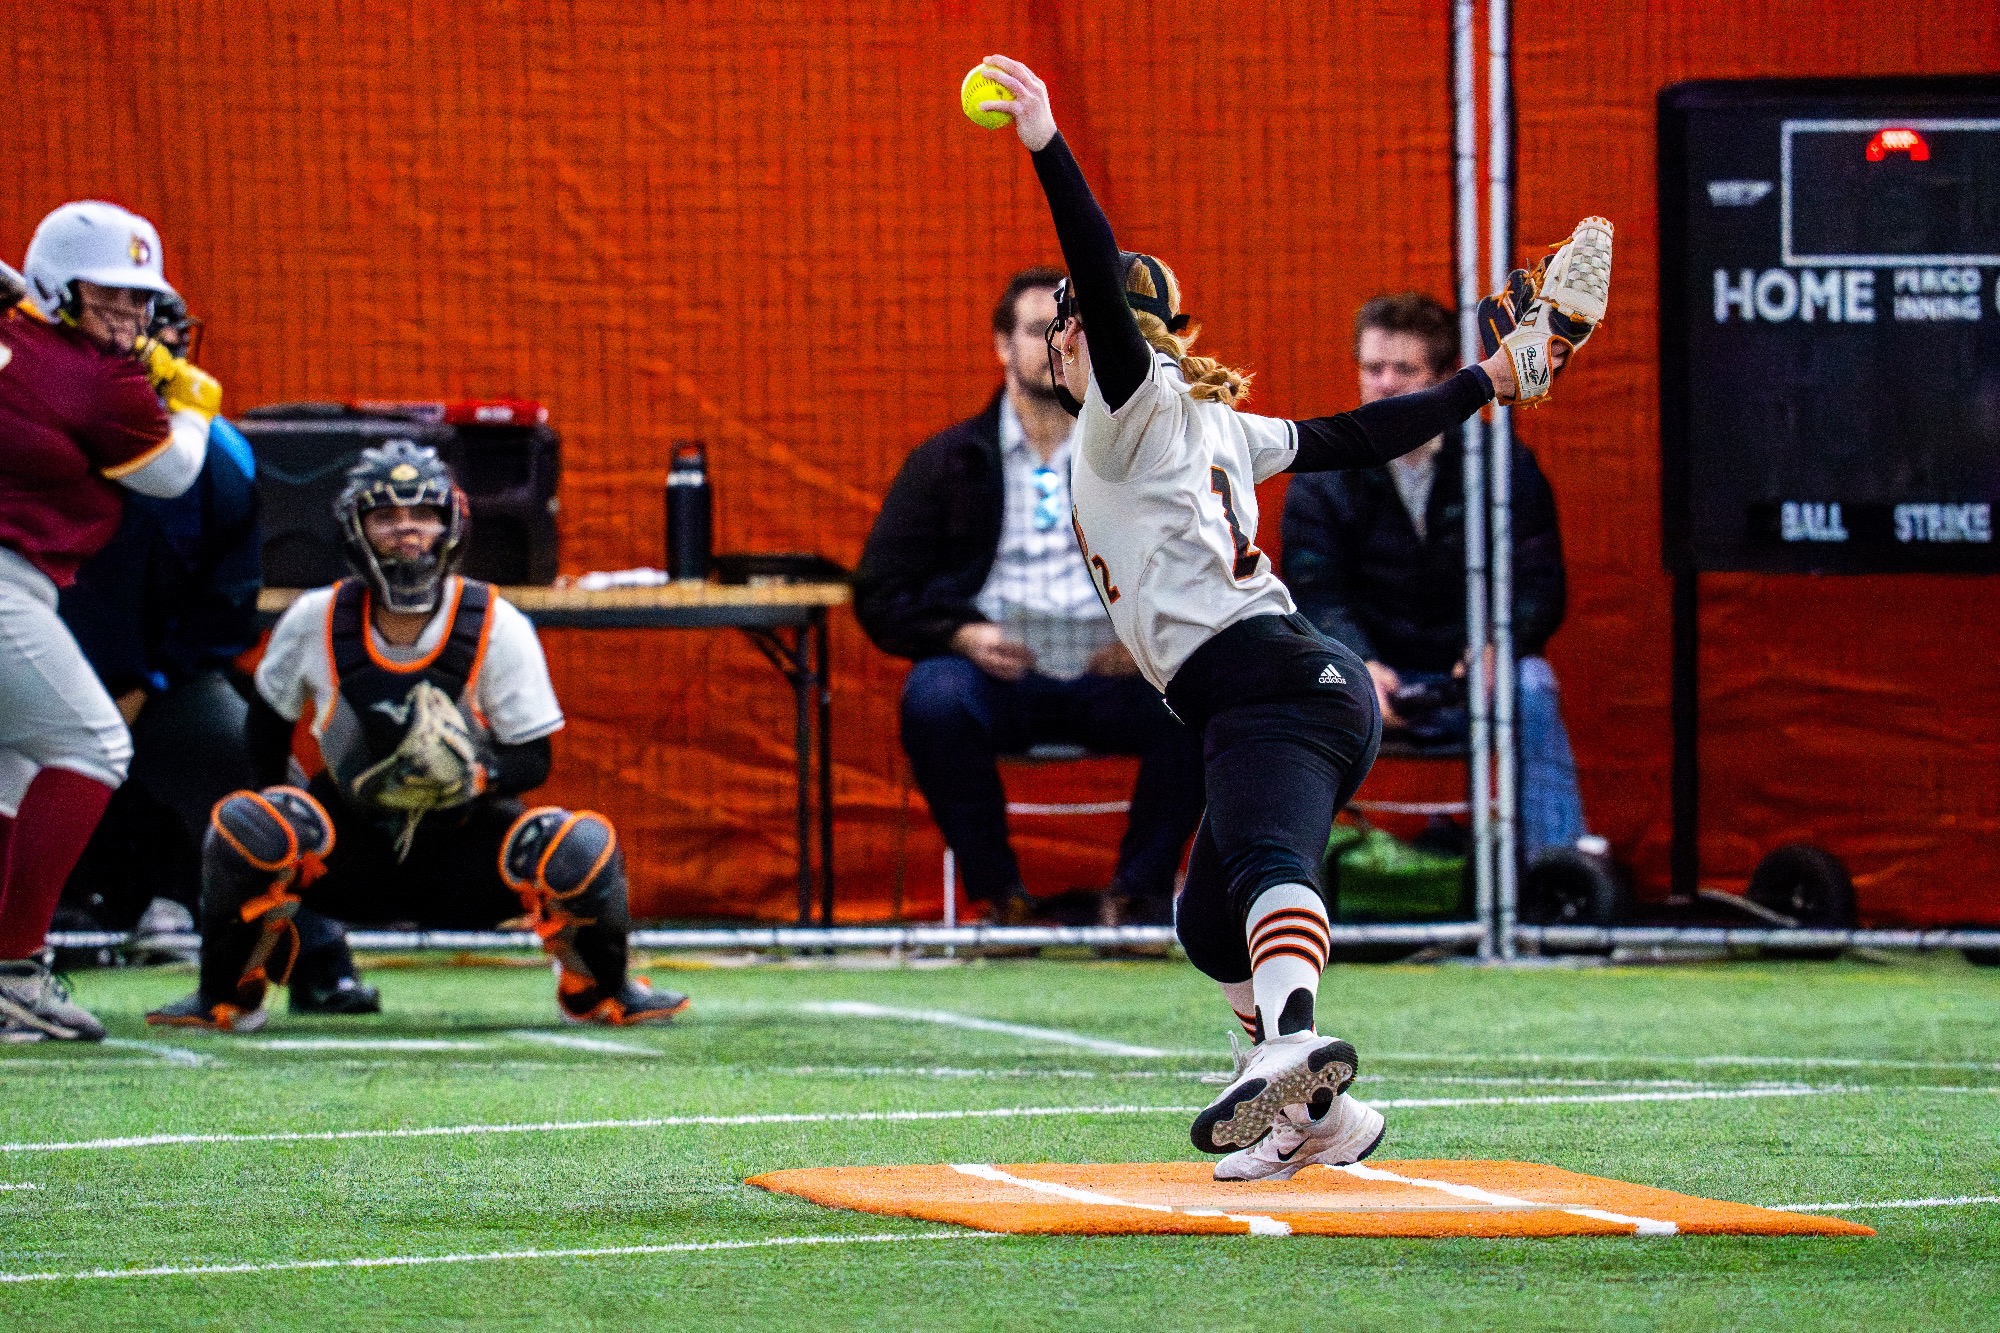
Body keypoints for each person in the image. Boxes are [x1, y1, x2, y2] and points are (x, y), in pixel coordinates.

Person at [971, 55, 1608, 1177]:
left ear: (1078, 333)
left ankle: (1295, 1048)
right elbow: (1358, 435)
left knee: (1267, 860)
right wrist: (1490, 378)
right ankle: (1318, 1120)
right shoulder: (1208, 417)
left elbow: (1099, 288)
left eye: (1071, 326)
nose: (1063, 342)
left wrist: (1046, 143)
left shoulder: (1126, 408)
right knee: (1206, 924)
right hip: (1274, 686)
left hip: (1269, 682)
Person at [147, 442, 689, 1031]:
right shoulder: (313, 617)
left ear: (451, 524)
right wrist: (282, 826)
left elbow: (534, 759)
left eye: (423, 515)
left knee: (580, 845)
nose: (407, 529)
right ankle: (226, 995)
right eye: (386, 516)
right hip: (348, 853)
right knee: (245, 825)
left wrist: (470, 774)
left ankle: (602, 991)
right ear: (355, 528)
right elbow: (265, 735)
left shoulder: (497, 622)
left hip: (464, 848)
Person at [854, 267, 1204, 925]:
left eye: (1073, 331)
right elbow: (880, 591)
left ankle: (1139, 894)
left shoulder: (1137, 457)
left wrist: (1144, 635)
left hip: (1110, 670)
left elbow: (1199, 568)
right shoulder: (949, 461)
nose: (1056, 346)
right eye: (1039, 330)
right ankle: (1002, 898)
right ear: (1001, 345)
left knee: (1202, 697)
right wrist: (961, 635)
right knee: (934, 700)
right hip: (998, 673)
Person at [58, 295, 375, 1008]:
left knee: (256, 772)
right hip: (30, 655)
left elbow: (225, 602)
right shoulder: (42, 424)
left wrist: (144, 681)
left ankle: (322, 955)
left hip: (163, 680)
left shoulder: (220, 455)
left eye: (157, 325)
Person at [1282, 293, 1595, 868]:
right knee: (1292, 688)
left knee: (1530, 684)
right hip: (1367, 670)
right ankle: (1281, 884)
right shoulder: (1325, 471)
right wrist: (1357, 662)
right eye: (1373, 368)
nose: (1385, 384)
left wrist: (1498, 644)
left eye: (1404, 370)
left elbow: (1538, 582)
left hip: (1472, 670)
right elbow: (1313, 593)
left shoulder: (1501, 462)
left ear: (1448, 378)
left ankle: (1557, 880)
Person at [0, 201, 212, 1041]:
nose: (128, 313)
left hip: (22, 578)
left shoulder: (26, 342)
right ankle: (15, 968)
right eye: (108, 293)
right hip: (6, 579)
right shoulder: (98, 378)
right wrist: (191, 401)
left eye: (138, 297)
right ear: (60, 285)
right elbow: (173, 475)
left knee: (11, 770)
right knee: (95, 746)